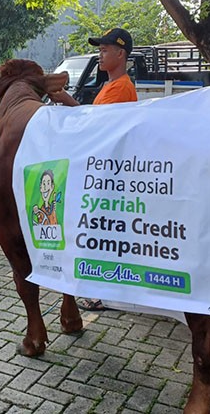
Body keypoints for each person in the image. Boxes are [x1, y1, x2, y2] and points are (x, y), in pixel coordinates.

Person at [79, 27, 138, 312]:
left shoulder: (121, 87)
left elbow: (98, 127)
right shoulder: (108, 85)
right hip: (102, 170)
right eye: (99, 50)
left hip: (111, 173)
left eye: (104, 51)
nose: (99, 55)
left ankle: (105, 293)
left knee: (106, 232)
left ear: (120, 53)